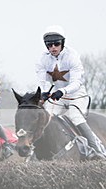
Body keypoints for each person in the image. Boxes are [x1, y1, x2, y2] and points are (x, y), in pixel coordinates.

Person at [35, 25, 106, 159]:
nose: (53, 48)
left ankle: (97, 150)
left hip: (76, 95)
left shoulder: (72, 56)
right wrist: (43, 92)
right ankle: (34, 153)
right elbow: (41, 81)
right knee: (46, 118)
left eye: (56, 44)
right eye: (49, 45)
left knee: (75, 116)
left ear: (62, 43)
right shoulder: (42, 59)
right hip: (57, 96)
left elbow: (76, 82)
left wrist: (63, 91)